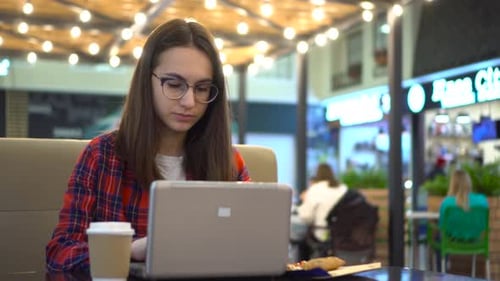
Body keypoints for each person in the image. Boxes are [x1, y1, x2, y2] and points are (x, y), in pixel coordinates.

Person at [45, 18, 250, 272]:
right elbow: (60, 252)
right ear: (147, 81)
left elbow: (250, 248)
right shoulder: (103, 156)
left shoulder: (228, 162)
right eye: (174, 85)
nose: (189, 101)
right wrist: (128, 252)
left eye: (202, 88)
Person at [297, 163, 348, 258]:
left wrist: (304, 200)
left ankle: (303, 270)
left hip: (323, 234)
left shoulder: (315, 189)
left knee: (300, 241)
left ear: (317, 174)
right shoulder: (343, 188)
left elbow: (305, 216)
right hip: (343, 234)